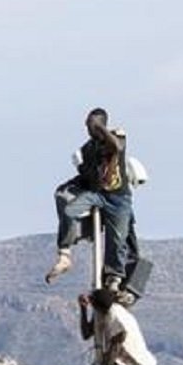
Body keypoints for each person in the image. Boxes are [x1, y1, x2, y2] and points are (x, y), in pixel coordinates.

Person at [46, 107, 135, 286]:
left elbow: (116, 147)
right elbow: (87, 175)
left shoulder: (116, 135)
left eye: (90, 125)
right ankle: (65, 254)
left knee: (117, 239)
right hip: (97, 194)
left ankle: (114, 277)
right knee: (69, 210)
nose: (87, 128)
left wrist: (100, 128)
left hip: (118, 198)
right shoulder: (88, 148)